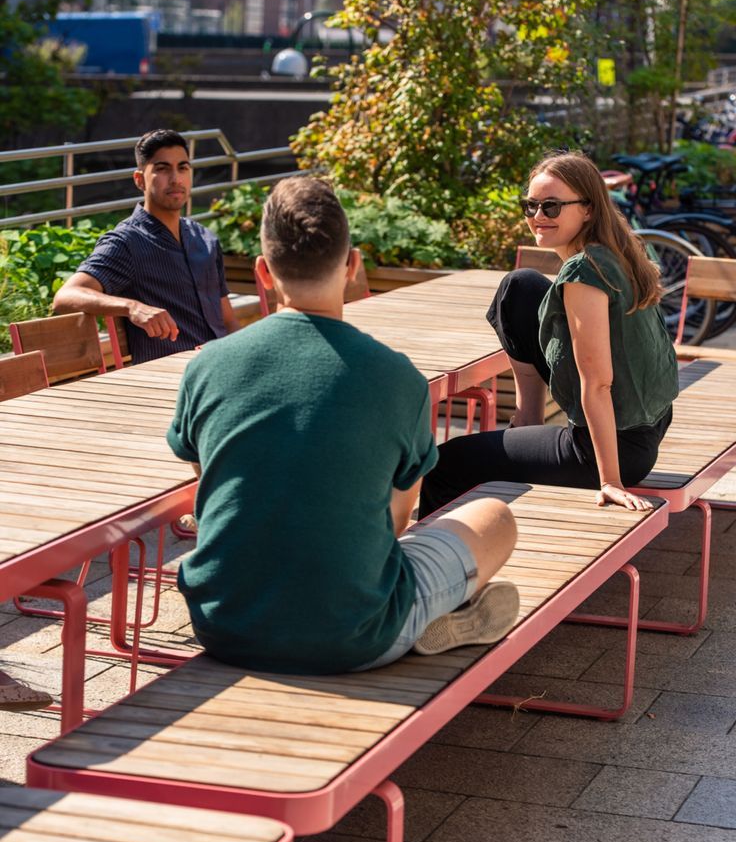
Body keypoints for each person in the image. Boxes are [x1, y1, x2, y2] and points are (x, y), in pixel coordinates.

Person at [166, 176, 519, 675]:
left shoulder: (208, 365)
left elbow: (209, 486)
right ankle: (431, 616)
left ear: (263, 273)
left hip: (224, 625)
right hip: (356, 634)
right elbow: (396, 522)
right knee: (493, 517)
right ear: (353, 266)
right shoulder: (398, 377)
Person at [419, 151, 679, 519]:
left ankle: (436, 570)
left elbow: (599, 384)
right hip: (646, 422)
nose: (538, 216)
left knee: (445, 464)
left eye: (552, 206)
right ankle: (529, 417)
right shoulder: (617, 250)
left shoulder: (585, 273)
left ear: (587, 209)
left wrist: (610, 482)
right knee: (520, 287)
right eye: (531, 206)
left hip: (613, 447)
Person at [53, 129, 239, 364]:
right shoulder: (127, 242)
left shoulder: (205, 239)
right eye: (162, 169)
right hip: (167, 377)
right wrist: (132, 307)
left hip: (220, 365)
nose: (176, 179)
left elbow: (228, 320)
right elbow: (66, 296)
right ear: (140, 179)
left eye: (183, 168)